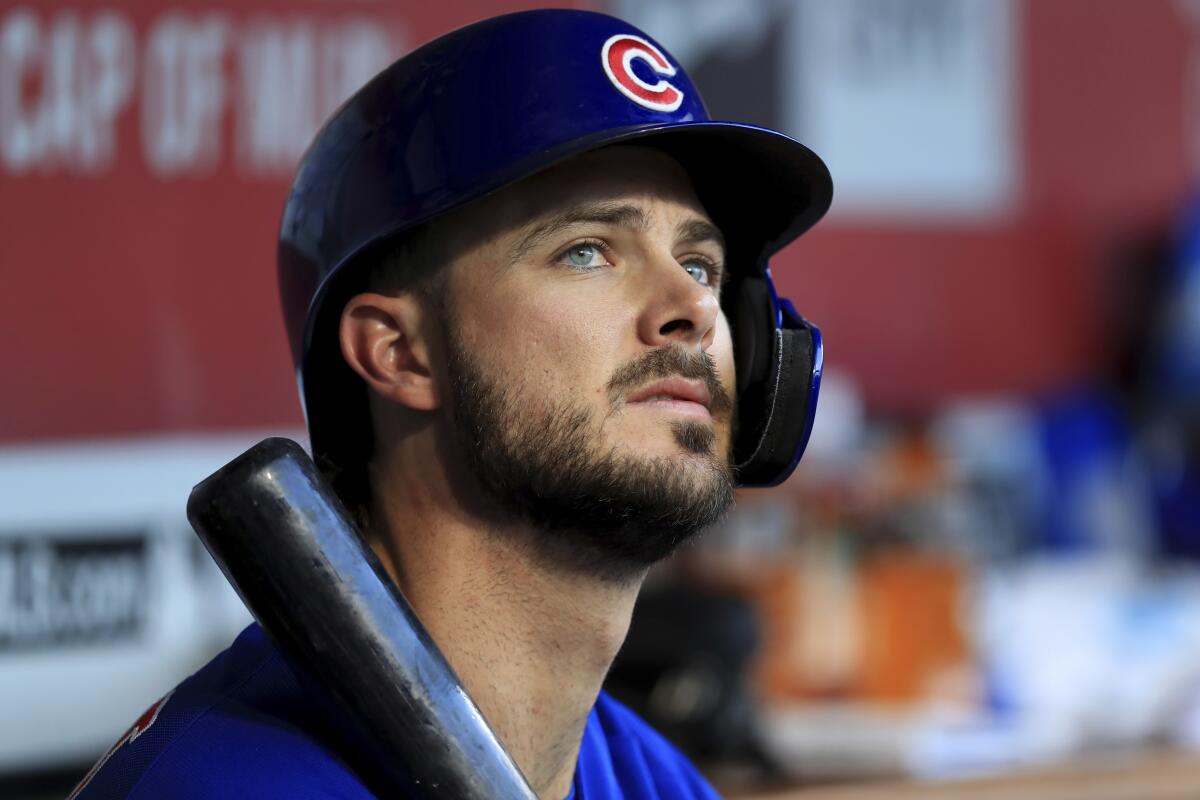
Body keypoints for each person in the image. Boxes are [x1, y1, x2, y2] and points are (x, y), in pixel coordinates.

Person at [70, 9, 831, 799]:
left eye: (702, 265)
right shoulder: (226, 787)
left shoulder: (648, 778)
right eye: (587, 251)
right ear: (398, 352)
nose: (691, 308)